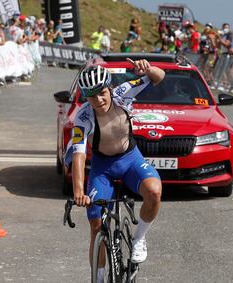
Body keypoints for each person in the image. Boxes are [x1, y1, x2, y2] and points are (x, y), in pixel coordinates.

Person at [65, 59, 165, 281]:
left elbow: (159, 77)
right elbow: (79, 155)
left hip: (131, 159)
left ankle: (139, 238)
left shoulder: (124, 92)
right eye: (91, 96)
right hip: (103, 168)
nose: (98, 100)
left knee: (155, 192)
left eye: (101, 93)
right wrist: (79, 192)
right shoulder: (83, 117)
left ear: (109, 88)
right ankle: (98, 277)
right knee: (96, 224)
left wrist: (148, 69)